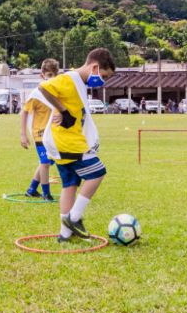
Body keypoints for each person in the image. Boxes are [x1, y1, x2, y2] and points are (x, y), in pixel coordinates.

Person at [37, 48, 116, 242]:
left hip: (63, 142)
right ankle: (74, 217)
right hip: (67, 142)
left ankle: (65, 235)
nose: (103, 81)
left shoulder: (78, 83)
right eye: (103, 75)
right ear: (95, 67)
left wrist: (62, 110)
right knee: (98, 172)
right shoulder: (70, 78)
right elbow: (44, 88)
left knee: (70, 185)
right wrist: (63, 111)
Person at [19, 58, 60, 201]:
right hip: (40, 134)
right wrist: (23, 135)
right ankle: (46, 194)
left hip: (53, 134)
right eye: (48, 75)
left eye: (54, 75)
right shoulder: (36, 94)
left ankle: (31, 189)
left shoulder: (57, 92)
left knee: (48, 161)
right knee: (45, 163)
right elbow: (24, 112)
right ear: (42, 76)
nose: (51, 78)